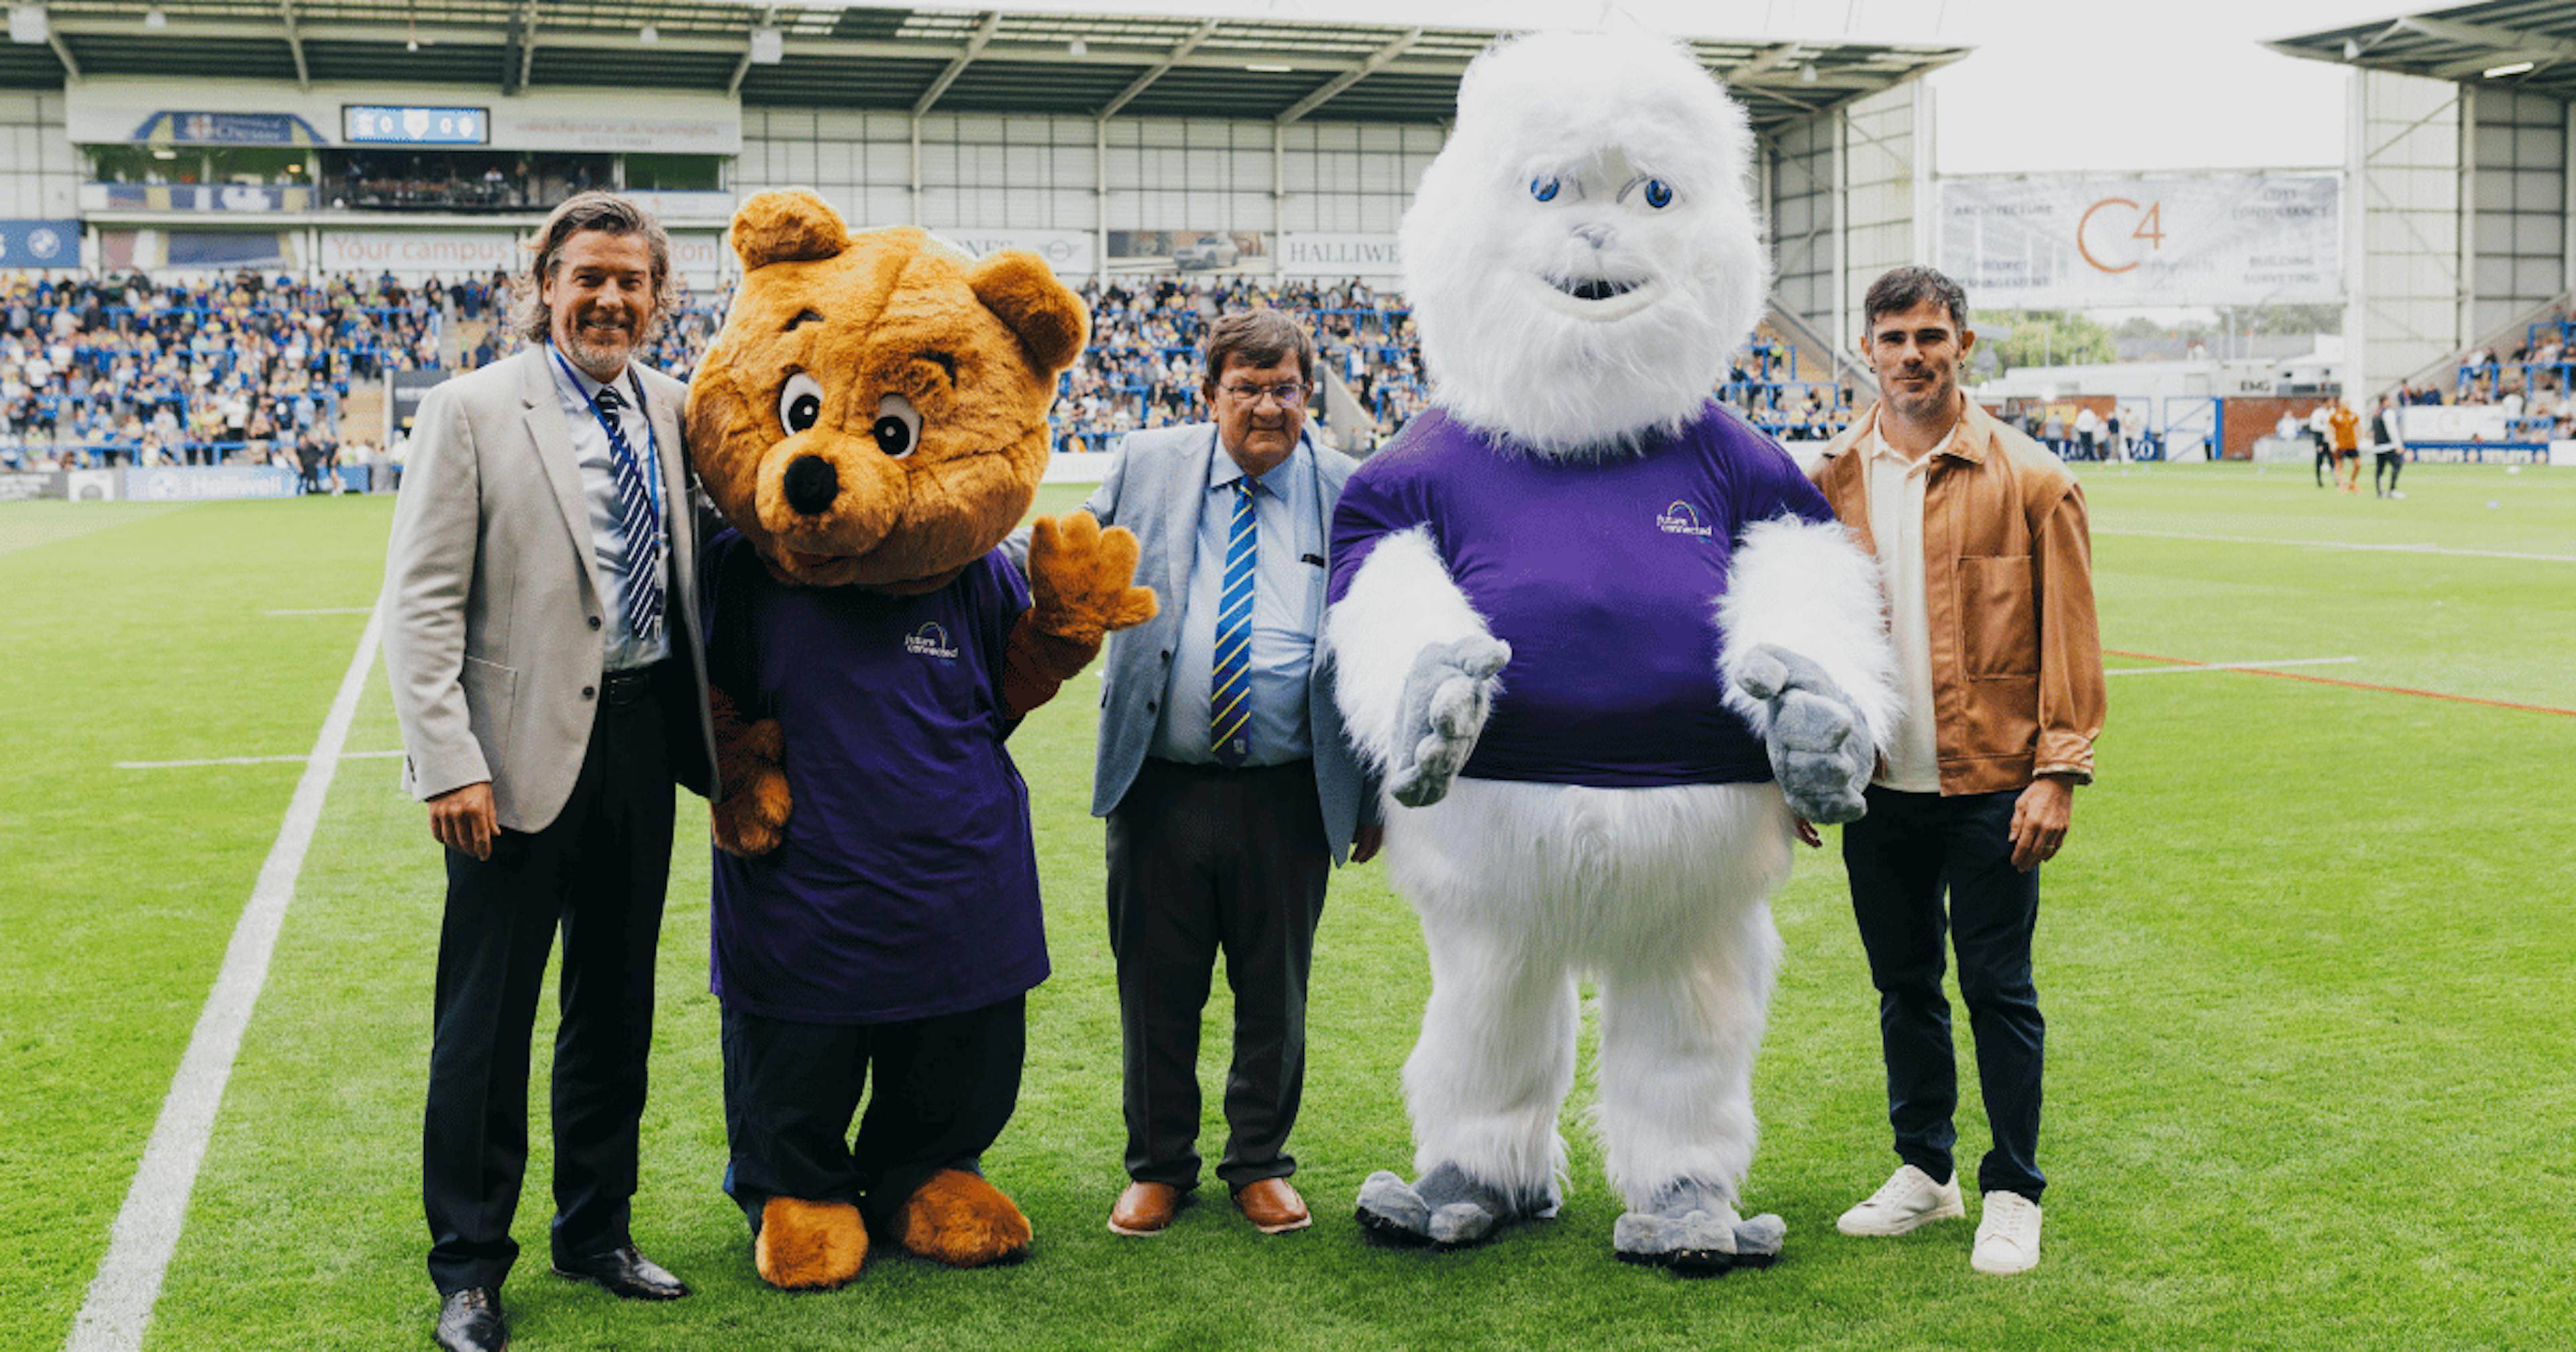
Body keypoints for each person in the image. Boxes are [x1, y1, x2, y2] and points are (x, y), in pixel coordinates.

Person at [381, 191, 719, 1352]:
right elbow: (420, 602)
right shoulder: (472, 408)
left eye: (632, 281)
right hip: (508, 761)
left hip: (642, 742)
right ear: (545, 285)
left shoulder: (679, 410)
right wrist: (446, 763)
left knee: (614, 1008)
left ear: (658, 296)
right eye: (589, 277)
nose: (610, 299)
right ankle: (470, 1267)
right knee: (487, 1022)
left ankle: (596, 1229)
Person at [1805, 266, 2106, 1278]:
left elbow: (2071, 636)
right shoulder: (1833, 479)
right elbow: (1805, 636)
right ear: (1868, 350)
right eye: (1892, 338)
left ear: (1963, 345)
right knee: (1903, 987)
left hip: (1993, 786)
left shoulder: (2032, 479)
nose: (1911, 356)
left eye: (1930, 335)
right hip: (1878, 788)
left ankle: (2013, 1190)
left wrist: (2057, 770)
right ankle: (1924, 1171)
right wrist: (1797, 772)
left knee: (1998, 988)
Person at [1055, 308, 1379, 1240]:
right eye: (1247, 388)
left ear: (1308, 394)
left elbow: (1381, 640)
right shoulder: (1146, 464)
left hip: (1290, 784)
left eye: (1285, 388)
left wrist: (1374, 793)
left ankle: (1259, 1166)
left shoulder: (1349, 490)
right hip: (1160, 780)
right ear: (1210, 396)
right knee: (1156, 984)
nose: (1267, 407)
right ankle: (1158, 1167)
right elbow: (1067, 570)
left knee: (1275, 990)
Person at [2372, 394, 2407, 499]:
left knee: (2379, 469)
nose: (2390, 402)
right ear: (2385, 402)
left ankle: (2380, 491)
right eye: (2389, 400)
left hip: (2378, 446)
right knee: (2397, 465)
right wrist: (2398, 445)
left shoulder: (2376, 414)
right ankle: (2392, 489)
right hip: (2388, 445)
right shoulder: (2388, 413)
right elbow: (2392, 430)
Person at [2328, 399, 2361, 494]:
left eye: (2347, 404)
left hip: (2351, 444)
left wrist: (2358, 439)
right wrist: (2332, 443)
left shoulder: (2353, 416)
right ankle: (2342, 486)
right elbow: (2329, 429)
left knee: (2358, 464)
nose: (2345, 406)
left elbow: (2358, 428)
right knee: (2339, 466)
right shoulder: (2335, 416)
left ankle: (2352, 483)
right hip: (2340, 445)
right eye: (2344, 404)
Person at [2308, 402, 2334, 487]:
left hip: (2330, 440)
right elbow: (2314, 427)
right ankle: (2319, 481)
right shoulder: (2318, 413)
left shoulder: (2333, 412)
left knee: (2333, 461)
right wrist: (2319, 443)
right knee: (2320, 461)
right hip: (2321, 440)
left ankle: (2337, 480)